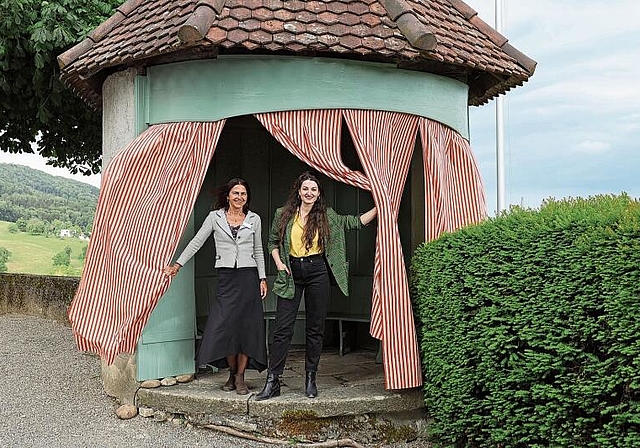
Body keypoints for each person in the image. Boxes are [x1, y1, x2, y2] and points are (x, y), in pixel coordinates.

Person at [255, 172, 377, 401]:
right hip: (291, 272)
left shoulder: (327, 215)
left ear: (318, 193)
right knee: (282, 329)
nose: (309, 193)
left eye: (313, 189)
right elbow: (272, 242)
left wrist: (380, 206)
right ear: (299, 191)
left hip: (318, 271)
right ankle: (273, 381)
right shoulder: (282, 214)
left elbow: (353, 222)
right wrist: (279, 263)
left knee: (315, 328)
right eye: (305, 189)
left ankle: (311, 378)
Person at [164, 178, 268, 395]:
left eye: (243, 194)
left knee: (247, 328)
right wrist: (178, 264)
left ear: (247, 197)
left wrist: (262, 278)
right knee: (226, 326)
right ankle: (231, 372)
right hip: (227, 278)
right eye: (236, 193)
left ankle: (240, 377)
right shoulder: (215, 217)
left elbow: (258, 249)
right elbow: (197, 242)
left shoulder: (254, 219)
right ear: (228, 195)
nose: (240, 197)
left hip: (249, 277)